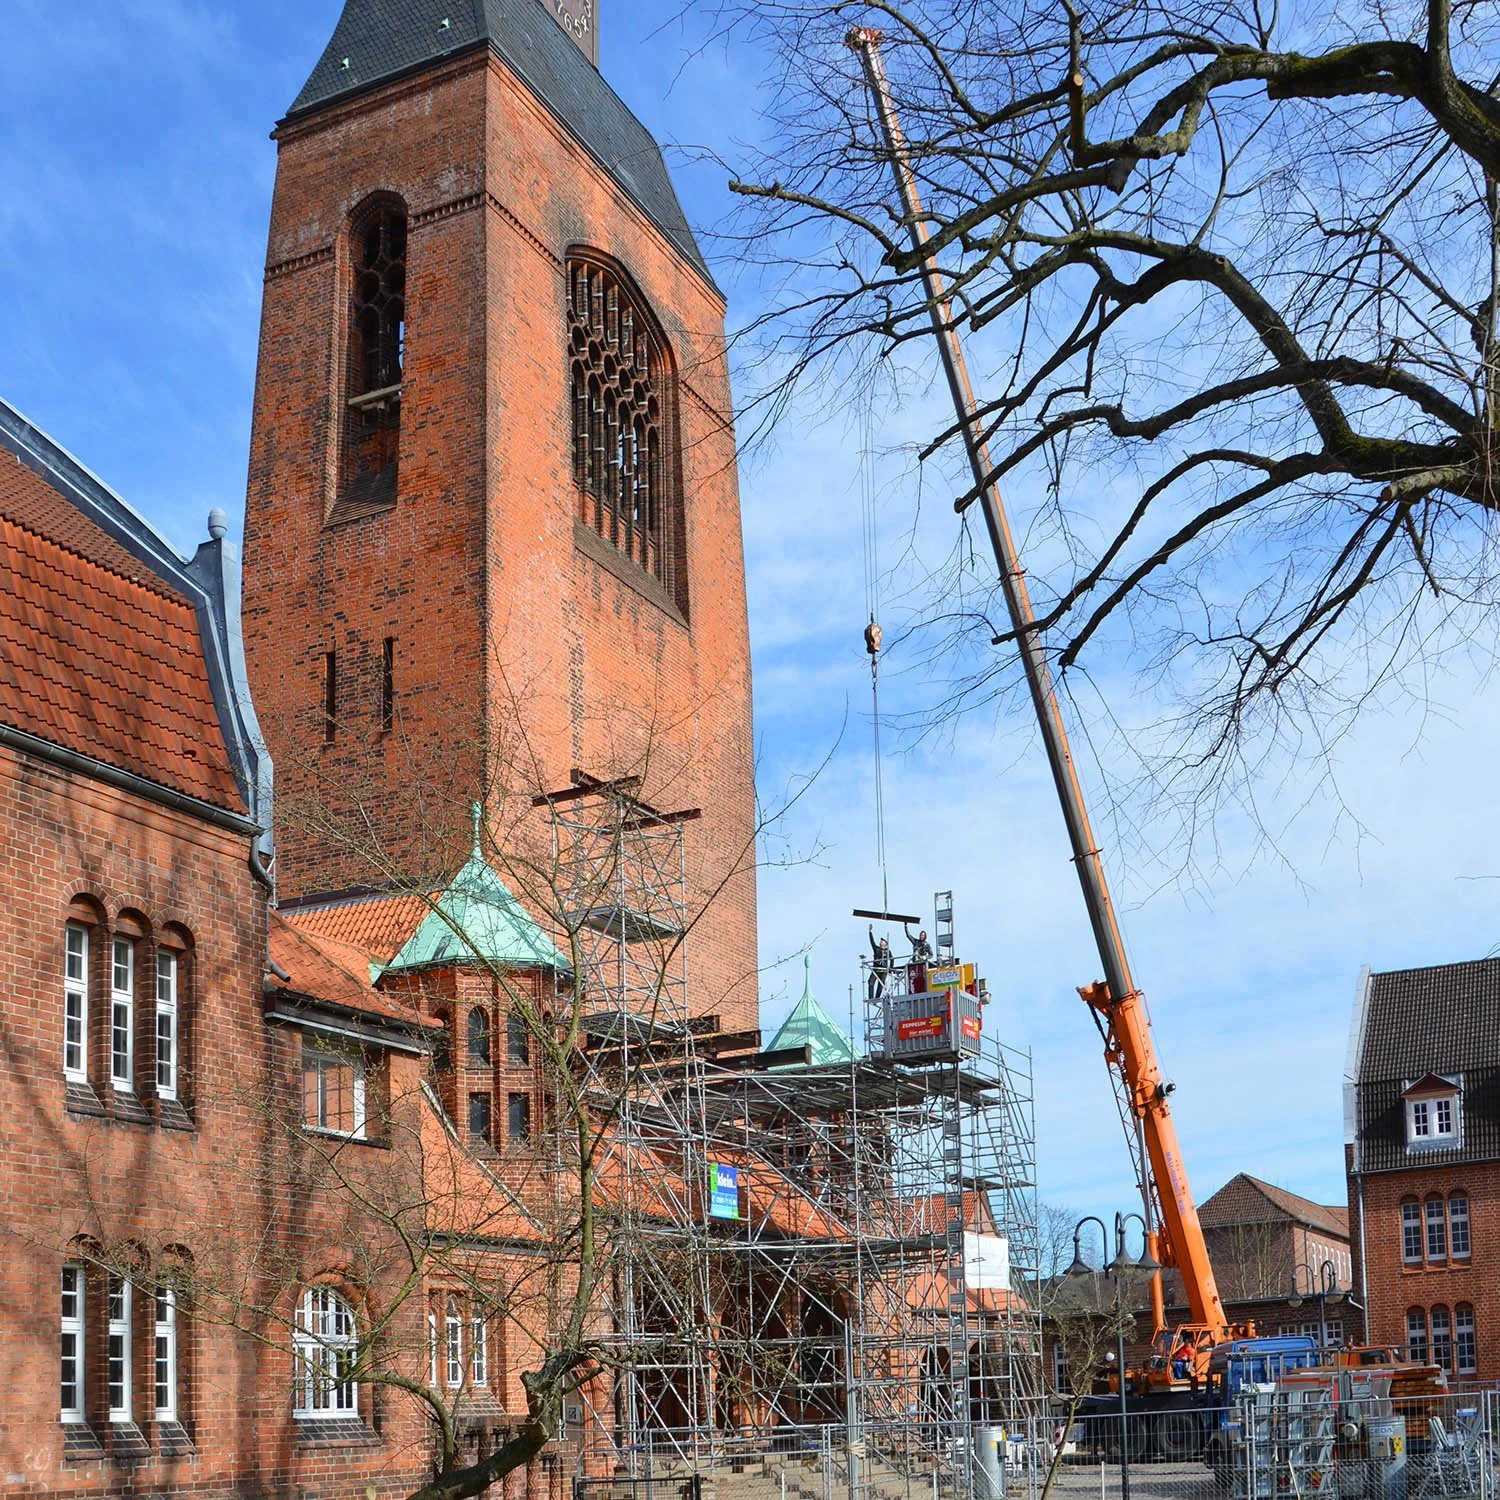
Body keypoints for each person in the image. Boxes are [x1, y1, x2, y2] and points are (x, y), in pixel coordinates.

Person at [867, 925, 893, 1001]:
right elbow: (872, 942)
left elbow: (892, 959)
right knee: (870, 982)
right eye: (881, 941)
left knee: (881, 984)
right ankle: (871, 998)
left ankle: (877, 997)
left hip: (883, 969)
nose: (881, 942)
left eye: (882, 941)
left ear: (885, 943)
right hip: (876, 968)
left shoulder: (888, 951)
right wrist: (870, 932)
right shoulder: (876, 949)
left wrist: (891, 967)